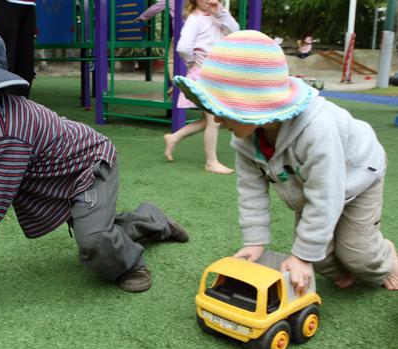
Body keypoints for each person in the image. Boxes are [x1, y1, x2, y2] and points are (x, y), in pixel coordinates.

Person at [0, 20, 190, 293]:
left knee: (93, 240)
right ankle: (150, 219)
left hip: (88, 169)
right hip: (55, 176)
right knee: (96, 227)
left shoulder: (9, 128)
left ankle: (131, 264)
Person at [174, 30, 398, 293]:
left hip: (359, 177)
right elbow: (250, 191)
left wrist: (302, 257)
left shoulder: (317, 129)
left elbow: (327, 194)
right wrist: (255, 241)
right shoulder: (244, 140)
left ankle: (387, 258)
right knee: (321, 258)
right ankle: (346, 267)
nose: (218, 121)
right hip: (310, 185)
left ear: (253, 107)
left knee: (357, 255)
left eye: (223, 112)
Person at [163, 0, 238, 174]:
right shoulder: (195, 18)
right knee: (214, 120)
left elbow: (236, 32)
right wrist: (192, 63)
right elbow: (182, 47)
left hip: (215, 75)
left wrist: (221, 13)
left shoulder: (217, 16)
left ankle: (174, 137)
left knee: (212, 119)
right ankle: (211, 162)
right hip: (204, 76)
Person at [0, 0, 35, 98]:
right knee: (3, 61)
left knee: (25, 66)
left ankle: (19, 109)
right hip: (3, 4)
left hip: (29, 3)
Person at [133, 0, 176, 94]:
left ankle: (175, 86)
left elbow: (156, 8)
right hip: (198, 34)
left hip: (179, 34)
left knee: (171, 60)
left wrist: (142, 17)